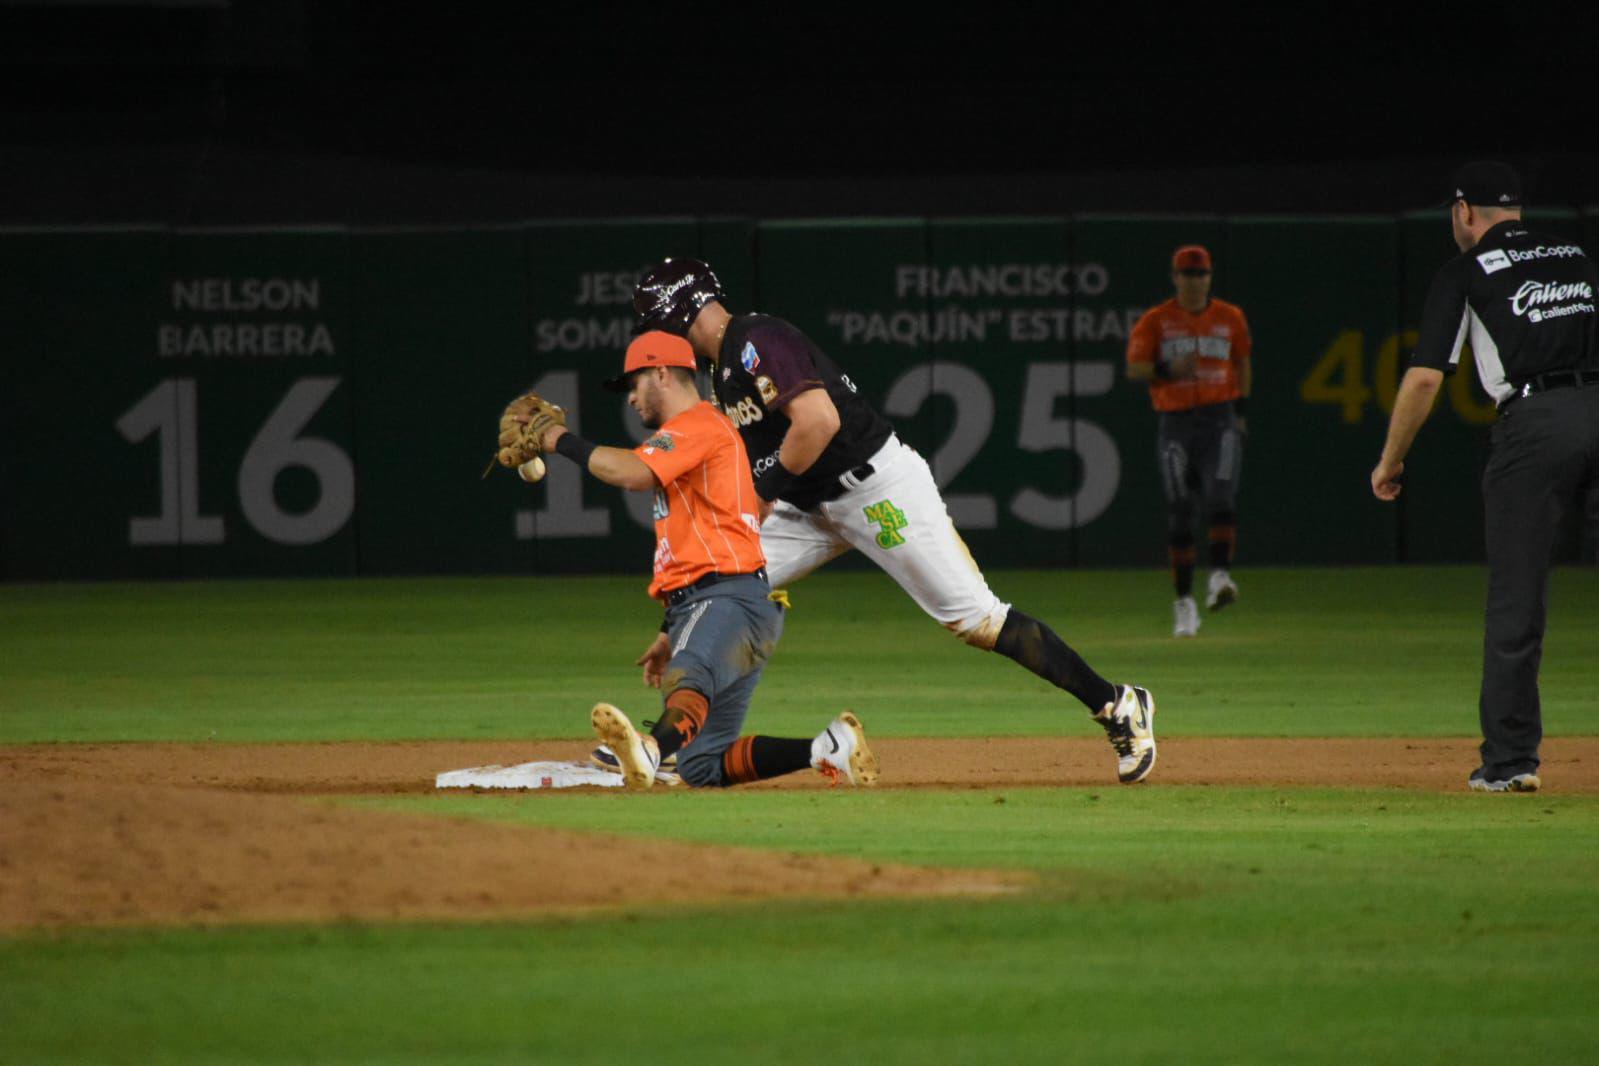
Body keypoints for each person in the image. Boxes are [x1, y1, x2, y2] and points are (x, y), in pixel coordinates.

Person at [621, 258, 1157, 784]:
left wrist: (763, 493)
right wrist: (675, 627)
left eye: (654, 324)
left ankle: (1117, 703)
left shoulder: (756, 338)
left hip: (875, 489)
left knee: (978, 620)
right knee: (717, 574)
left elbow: (819, 421)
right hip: (806, 507)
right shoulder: (723, 370)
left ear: (673, 314)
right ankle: (671, 744)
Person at [519, 330, 879, 790]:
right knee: (703, 766)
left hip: (727, 596)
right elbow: (698, 544)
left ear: (662, 373)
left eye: (635, 383)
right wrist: (671, 630)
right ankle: (827, 748)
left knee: (691, 676)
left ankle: (650, 750)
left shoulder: (698, 425)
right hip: (732, 602)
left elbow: (631, 472)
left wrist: (557, 439)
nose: (631, 398)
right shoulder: (696, 435)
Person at [1372, 161, 1599, 794]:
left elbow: (1424, 377)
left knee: (1517, 600)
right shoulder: (1576, 256)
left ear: (1464, 211)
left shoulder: (1465, 272)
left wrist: (1390, 460)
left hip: (1534, 426)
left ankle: (1510, 762)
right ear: (1519, 210)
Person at [1125, 245, 1252, 638]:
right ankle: (1184, 602)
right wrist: (1166, 368)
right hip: (1176, 423)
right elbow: (1134, 368)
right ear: (1176, 277)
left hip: (1219, 419)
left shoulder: (1230, 317)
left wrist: (1241, 412)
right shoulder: (1157, 320)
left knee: (1220, 497)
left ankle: (1218, 577)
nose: (1196, 281)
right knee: (1180, 508)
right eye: (1189, 274)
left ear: (1210, 277)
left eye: (1202, 274)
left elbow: (1243, 362)